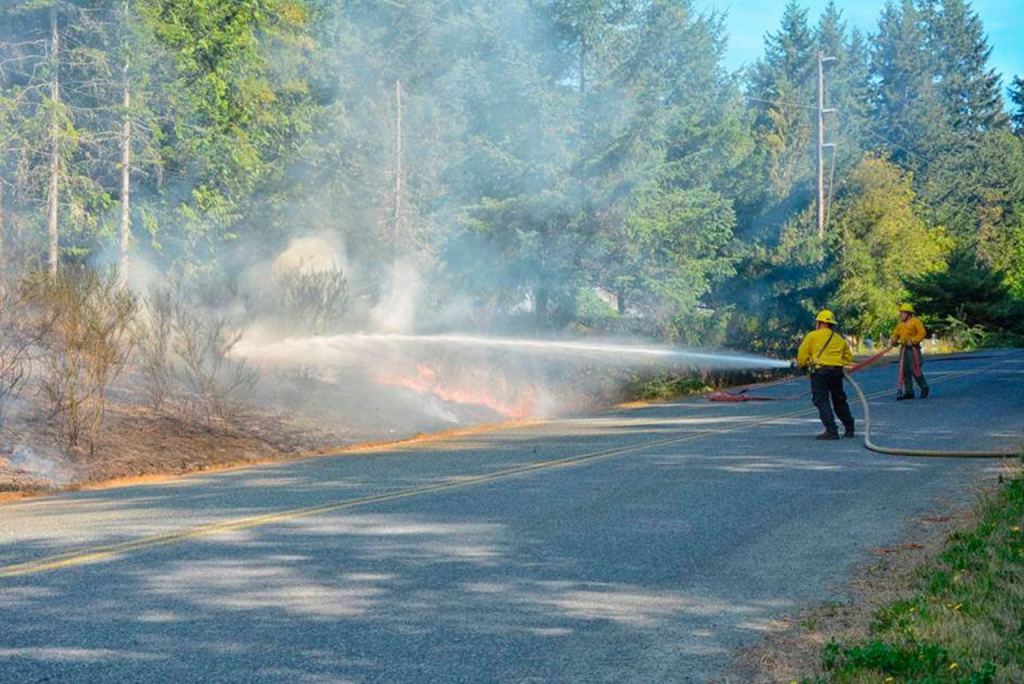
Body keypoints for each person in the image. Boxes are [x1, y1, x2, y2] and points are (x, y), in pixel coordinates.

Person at [796, 309, 855, 440]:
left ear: (820, 323)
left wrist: (803, 365)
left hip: (820, 373)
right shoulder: (839, 338)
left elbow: (801, 354)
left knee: (821, 400)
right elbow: (848, 357)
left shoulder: (812, 336)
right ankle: (849, 427)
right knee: (839, 400)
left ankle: (831, 430)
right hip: (837, 372)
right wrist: (837, 362)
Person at [890, 303, 929, 400]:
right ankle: (909, 392)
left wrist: (913, 341)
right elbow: (895, 334)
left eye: (903, 313)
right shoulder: (900, 324)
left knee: (914, 369)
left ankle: (924, 387)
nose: (901, 315)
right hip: (903, 350)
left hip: (913, 349)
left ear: (908, 314)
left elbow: (922, 333)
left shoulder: (915, 321)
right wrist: (893, 340)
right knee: (904, 370)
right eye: (901, 313)